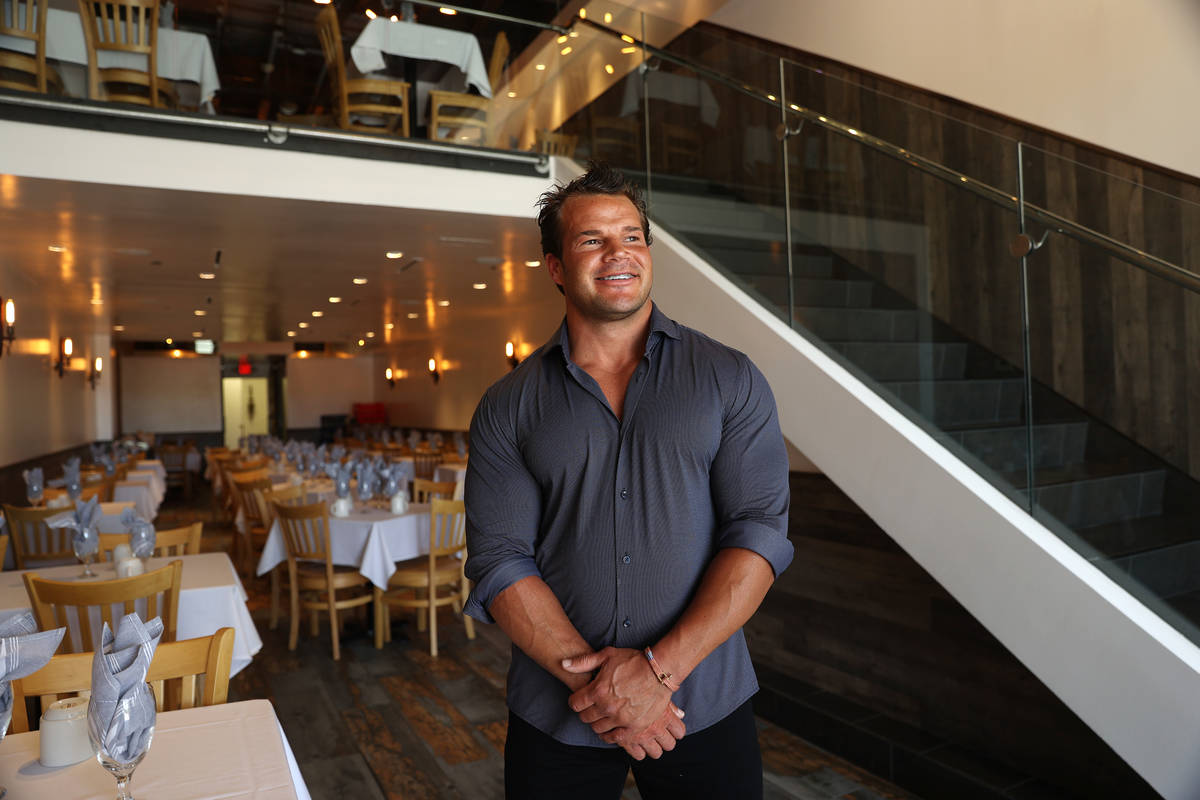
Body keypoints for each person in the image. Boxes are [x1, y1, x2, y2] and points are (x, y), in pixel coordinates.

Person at [464, 162, 792, 799]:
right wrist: (602, 691)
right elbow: (501, 559)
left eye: (632, 236)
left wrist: (656, 675)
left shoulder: (730, 378)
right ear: (557, 266)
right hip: (557, 711)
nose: (618, 253)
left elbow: (758, 534)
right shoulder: (508, 404)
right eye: (592, 239)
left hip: (702, 699)